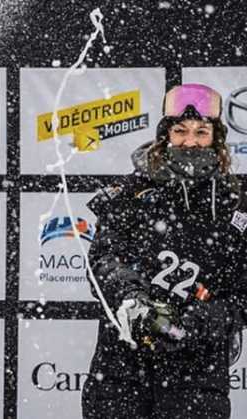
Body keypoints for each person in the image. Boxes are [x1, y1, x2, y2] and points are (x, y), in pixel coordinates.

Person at [81, 83, 247, 419]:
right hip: (120, 374)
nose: (190, 141)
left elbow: (242, 295)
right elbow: (102, 259)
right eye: (180, 130)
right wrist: (134, 304)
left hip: (198, 380)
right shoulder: (130, 192)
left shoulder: (238, 201)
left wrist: (194, 323)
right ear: (164, 135)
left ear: (216, 139)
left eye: (201, 132)